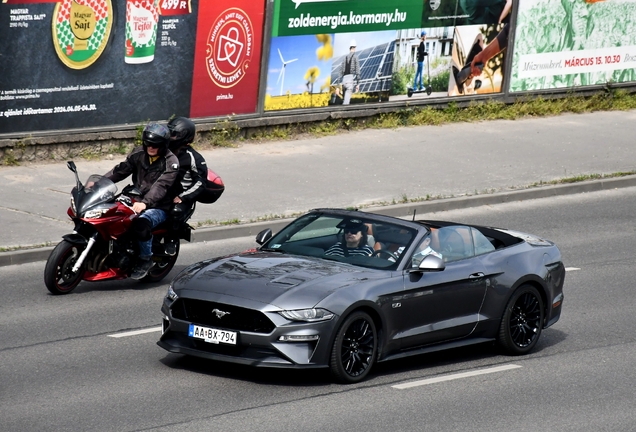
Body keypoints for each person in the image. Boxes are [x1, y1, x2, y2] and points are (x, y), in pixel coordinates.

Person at [103, 122, 179, 279]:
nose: (150, 147)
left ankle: (146, 258)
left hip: (159, 205)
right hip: (135, 198)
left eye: (155, 145)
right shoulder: (138, 153)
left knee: (141, 223)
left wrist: (145, 203)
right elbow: (120, 171)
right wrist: (99, 183)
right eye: (148, 143)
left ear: (164, 145)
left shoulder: (171, 162)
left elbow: (161, 186)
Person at [164, 117, 207, 256]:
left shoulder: (194, 157)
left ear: (184, 136)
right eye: (170, 133)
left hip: (181, 197)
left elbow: (200, 182)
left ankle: (171, 240)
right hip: (162, 192)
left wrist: (183, 197)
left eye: (174, 134)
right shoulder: (163, 150)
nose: (171, 136)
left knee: (175, 211)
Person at [339, 39, 361, 105]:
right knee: (346, 104)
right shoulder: (355, 57)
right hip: (349, 81)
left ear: (350, 48)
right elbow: (357, 71)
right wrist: (358, 83)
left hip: (344, 81)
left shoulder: (344, 58)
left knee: (344, 101)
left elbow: (340, 72)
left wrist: (337, 86)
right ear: (354, 48)